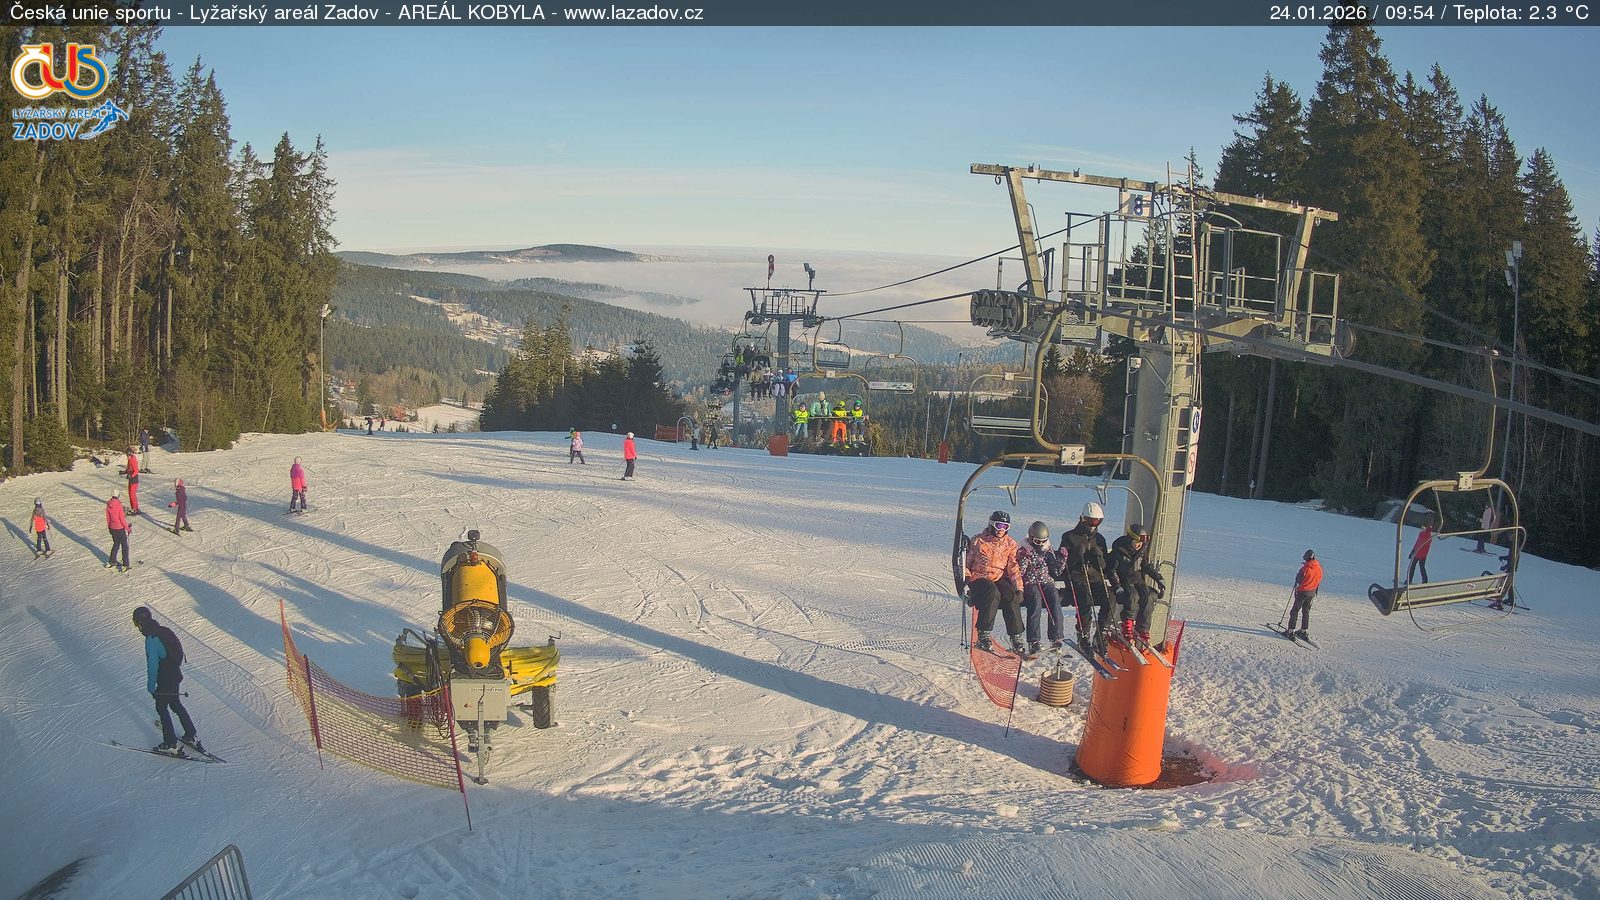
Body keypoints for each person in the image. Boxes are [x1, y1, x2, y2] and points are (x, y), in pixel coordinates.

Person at [132, 606, 202, 755]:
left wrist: (151, 686)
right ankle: (191, 734)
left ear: (141, 623)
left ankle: (170, 744)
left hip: (165, 678)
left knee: (161, 707)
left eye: (136, 623)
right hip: (175, 674)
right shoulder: (163, 630)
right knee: (176, 704)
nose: (137, 627)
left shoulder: (151, 640)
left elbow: (152, 666)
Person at [963, 511, 1025, 653]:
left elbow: (1013, 567)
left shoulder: (1010, 544)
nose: (1001, 529)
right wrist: (966, 576)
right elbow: (966, 562)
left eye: (1005, 526)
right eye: (999, 525)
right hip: (980, 578)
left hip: (999, 578)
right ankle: (983, 634)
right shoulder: (978, 541)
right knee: (992, 592)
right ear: (991, 525)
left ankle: (1016, 637)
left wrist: (1019, 588)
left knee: (1010, 595)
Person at [1060, 501, 1113, 654]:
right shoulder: (1069, 537)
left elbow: (1104, 567)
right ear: (1082, 519)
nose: (1092, 525)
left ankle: (1101, 633)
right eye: (1090, 521)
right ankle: (1083, 635)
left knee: (1110, 597)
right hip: (1076, 576)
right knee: (1085, 598)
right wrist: (1076, 555)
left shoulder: (1100, 539)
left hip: (1095, 577)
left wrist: (1099, 557)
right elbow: (1062, 565)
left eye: (1097, 522)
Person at [1107, 523, 1166, 645]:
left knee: (1149, 596)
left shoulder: (1142, 550)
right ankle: (1127, 625)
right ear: (1130, 539)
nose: (1139, 545)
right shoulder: (1119, 552)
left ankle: (1143, 628)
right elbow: (1111, 572)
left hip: (1138, 580)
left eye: (1141, 543)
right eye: (1137, 542)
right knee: (1133, 596)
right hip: (1124, 580)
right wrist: (1117, 587)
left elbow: (1145, 566)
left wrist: (1158, 578)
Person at [1016, 521, 1066, 656]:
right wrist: (1024, 558)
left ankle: (1056, 637)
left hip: (1046, 581)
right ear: (1031, 538)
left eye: (1043, 541)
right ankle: (1034, 641)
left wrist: (1062, 559)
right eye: (1037, 541)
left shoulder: (1047, 549)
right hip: (1031, 583)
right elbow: (1019, 572)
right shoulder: (1023, 549)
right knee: (1035, 603)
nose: (1040, 544)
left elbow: (1056, 571)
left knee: (1055, 601)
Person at [1288, 549, 1322, 640]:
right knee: (1306, 611)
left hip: (1302, 592)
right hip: (1312, 593)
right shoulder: (1318, 567)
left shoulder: (1305, 569)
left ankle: (1291, 631)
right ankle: (1303, 630)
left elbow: (1299, 580)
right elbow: (1319, 579)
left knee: (1295, 611)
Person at [106, 490, 131, 571]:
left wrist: (109, 527)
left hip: (112, 528)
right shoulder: (119, 505)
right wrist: (127, 528)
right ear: (118, 495)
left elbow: (108, 518)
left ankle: (112, 561)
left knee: (116, 544)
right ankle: (125, 564)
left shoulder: (108, 504)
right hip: (119, 528)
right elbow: (122, 518)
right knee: (124, 546)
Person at [1407, 519, 1435, 584]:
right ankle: (1409, 580)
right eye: (1422, 527)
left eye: (1424, 527)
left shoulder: (1428, 535)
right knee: (1412, 567)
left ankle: (1425, 581)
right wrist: (1412, 551)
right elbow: (1417, 543)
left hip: (1422, 555)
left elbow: (1426, 544)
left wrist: (1427, 531)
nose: (1422, 529)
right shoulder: (1421, 533)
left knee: (1422, 567)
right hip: (1416, 553)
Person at [122, 447, 141, 515]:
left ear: (130, 454)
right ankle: (134, 508)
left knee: (132, 494)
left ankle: (135, 509)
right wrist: (124, 472)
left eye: (127, 455)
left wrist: (131, 475)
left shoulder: (133, 460)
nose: (127, 457)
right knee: (130, 494)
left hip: (134, 480)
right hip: (130, 479)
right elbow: (129, 469)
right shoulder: (129, 460)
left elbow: (136, 471)